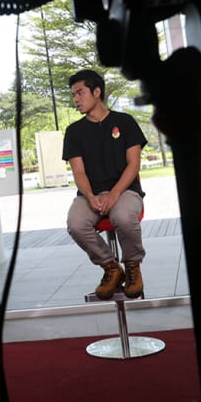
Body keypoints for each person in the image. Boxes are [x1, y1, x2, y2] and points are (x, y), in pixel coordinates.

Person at [62, 69, 147, 300]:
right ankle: (111, 267)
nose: (76, 99)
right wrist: (90, 196)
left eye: (80, 93)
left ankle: (132, 266)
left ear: (97, 92)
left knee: (122, 217)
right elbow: (78, 171)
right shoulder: (74, 132)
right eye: (73, 95)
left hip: (126, 191)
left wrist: (114, 194)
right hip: (90, 194)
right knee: (76, 224)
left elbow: (133, 164)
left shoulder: (125, 122)